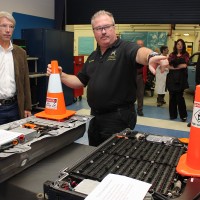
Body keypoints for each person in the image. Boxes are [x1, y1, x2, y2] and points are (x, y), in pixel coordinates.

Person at [47, 10, 168, 146]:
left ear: (114, 28)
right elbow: (80, 81)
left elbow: (139, 52)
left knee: (114, 160)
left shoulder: (125, 48)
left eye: (107, 27)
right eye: (99, 28)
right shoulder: (93, 56)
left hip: (118, 117)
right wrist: (60, 75)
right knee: (94, 155)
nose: (103, 31)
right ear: (94, 32)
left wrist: (151, 56)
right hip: (95, 117)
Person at [0, 11, 32, 125]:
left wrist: (27, 107)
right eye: (4, 26)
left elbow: (25, 81)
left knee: (17, 140)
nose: (8, 30)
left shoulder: (20, 53)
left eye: (11, 27)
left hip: (15, 107)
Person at [166, 39, 189, 122]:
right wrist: (177, 66)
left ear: (183, 45)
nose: (179, 45)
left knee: (180, 97)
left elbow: (184, 65)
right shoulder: (172, 54)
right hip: (171, 78)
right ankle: (173, 115)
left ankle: (183, 116)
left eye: (181, 44)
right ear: (176, 45)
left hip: (181, 79)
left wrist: (174, 66)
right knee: (172, 97)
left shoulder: (185, 54)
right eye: (178, 44)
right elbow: (168, 66)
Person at [136, 40, 147, 116]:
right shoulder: (132, 54)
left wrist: (145, 78)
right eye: (138, 44)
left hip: (140, 76)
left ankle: (140, 110)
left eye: (141, 44)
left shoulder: (146, 55)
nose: (140, 46)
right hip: (131, 76)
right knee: (129, 94)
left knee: (140, 94)